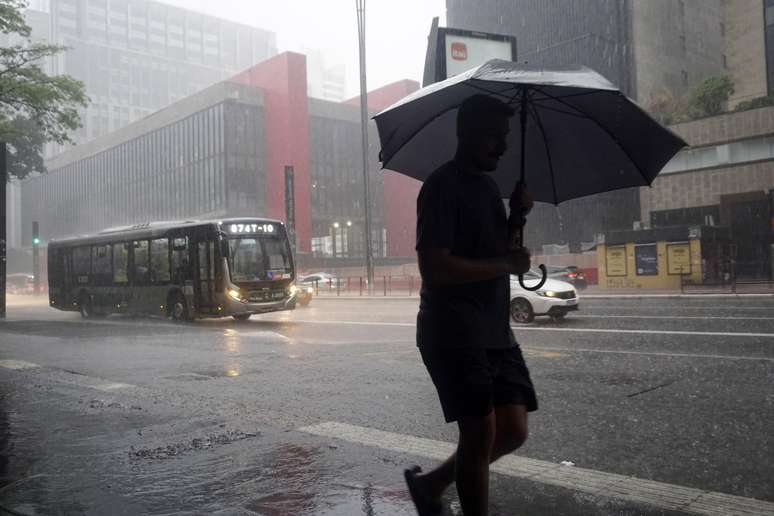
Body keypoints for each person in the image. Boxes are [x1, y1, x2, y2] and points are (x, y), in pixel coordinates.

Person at [404, 94, 538, 516]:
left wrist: (517, 216)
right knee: (479, 434)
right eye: (492, 137)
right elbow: (436, 268)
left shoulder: (488, 187)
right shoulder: (442, 186)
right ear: (466, 134)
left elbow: (503, 257)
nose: (501, 147)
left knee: (513, 430)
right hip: (454, 332)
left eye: (504, 138)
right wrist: (502, 262)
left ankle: (430, 486)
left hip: (494, 331)